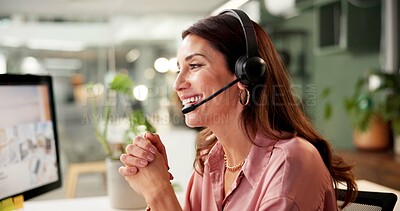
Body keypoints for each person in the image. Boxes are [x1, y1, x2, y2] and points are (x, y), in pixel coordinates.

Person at [119, 9, 357, 210]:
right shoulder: (209, 160)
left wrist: (159, 194)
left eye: (194, 65)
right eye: (179, 68)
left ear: (247, 74)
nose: (178, 84)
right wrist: (154, 176)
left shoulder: (290, 163)